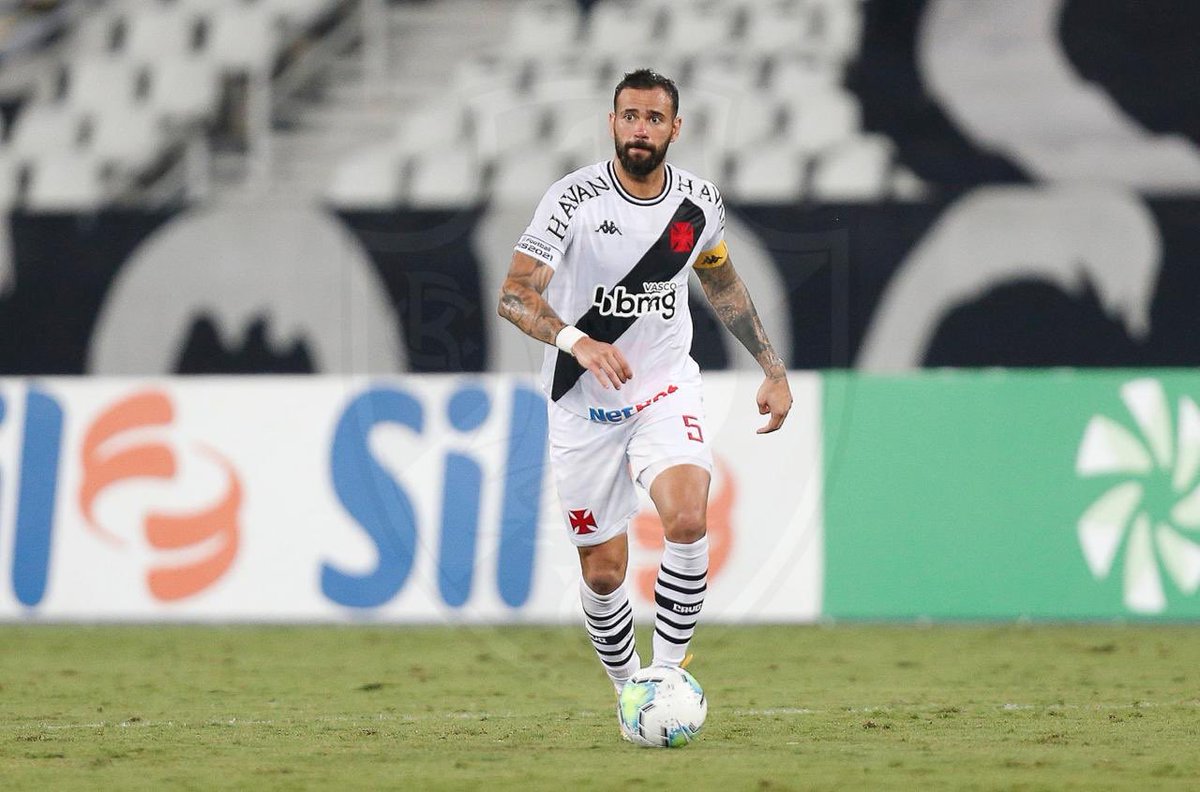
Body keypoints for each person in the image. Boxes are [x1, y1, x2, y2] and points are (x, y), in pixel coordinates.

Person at [497, 69, 792, 702]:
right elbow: (515, 295)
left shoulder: (697, 205)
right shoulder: (571, 201)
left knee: (686, 518)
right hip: (581, 402)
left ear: (675, 128)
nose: (640, 128)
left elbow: (720, 281)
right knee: (604, 574)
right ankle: (631, 691)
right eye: (629, 116)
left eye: (654, 118)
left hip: (664, 389)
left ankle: (669, 674)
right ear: (612, 122)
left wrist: (771, 368)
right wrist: (578, 341)